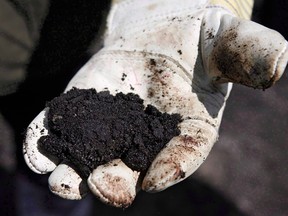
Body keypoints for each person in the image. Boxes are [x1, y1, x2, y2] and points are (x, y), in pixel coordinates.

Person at [1, 0, 287, 215]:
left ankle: (45, 203)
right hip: (13, 61)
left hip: (77, 43)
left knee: (44, 165)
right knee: (38, 149)